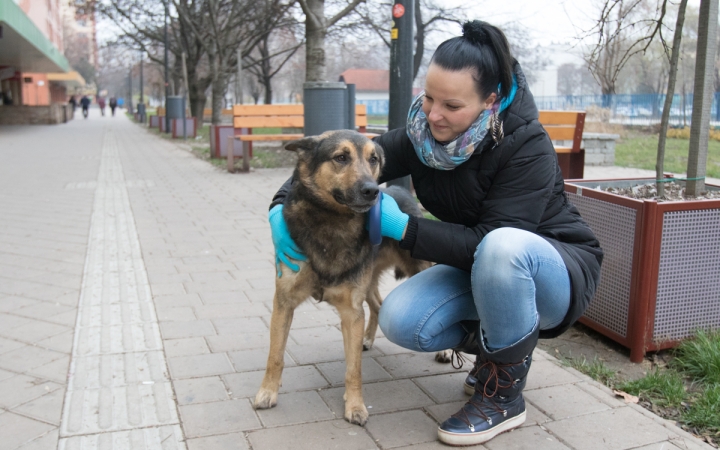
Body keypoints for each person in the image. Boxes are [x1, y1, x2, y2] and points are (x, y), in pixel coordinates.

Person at [268, 20, 603, 446]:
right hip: (480, 266)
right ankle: (494, 347)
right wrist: (279, 209)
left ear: (490, 101)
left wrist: (403, 227)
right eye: (428, 98)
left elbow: (490, 240)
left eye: (451, 105)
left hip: (552, 272)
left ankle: (501, 397)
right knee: (402, 319)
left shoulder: (526, 145)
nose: (434, 114)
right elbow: (338, 159)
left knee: (502, 247)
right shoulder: (422, 138)